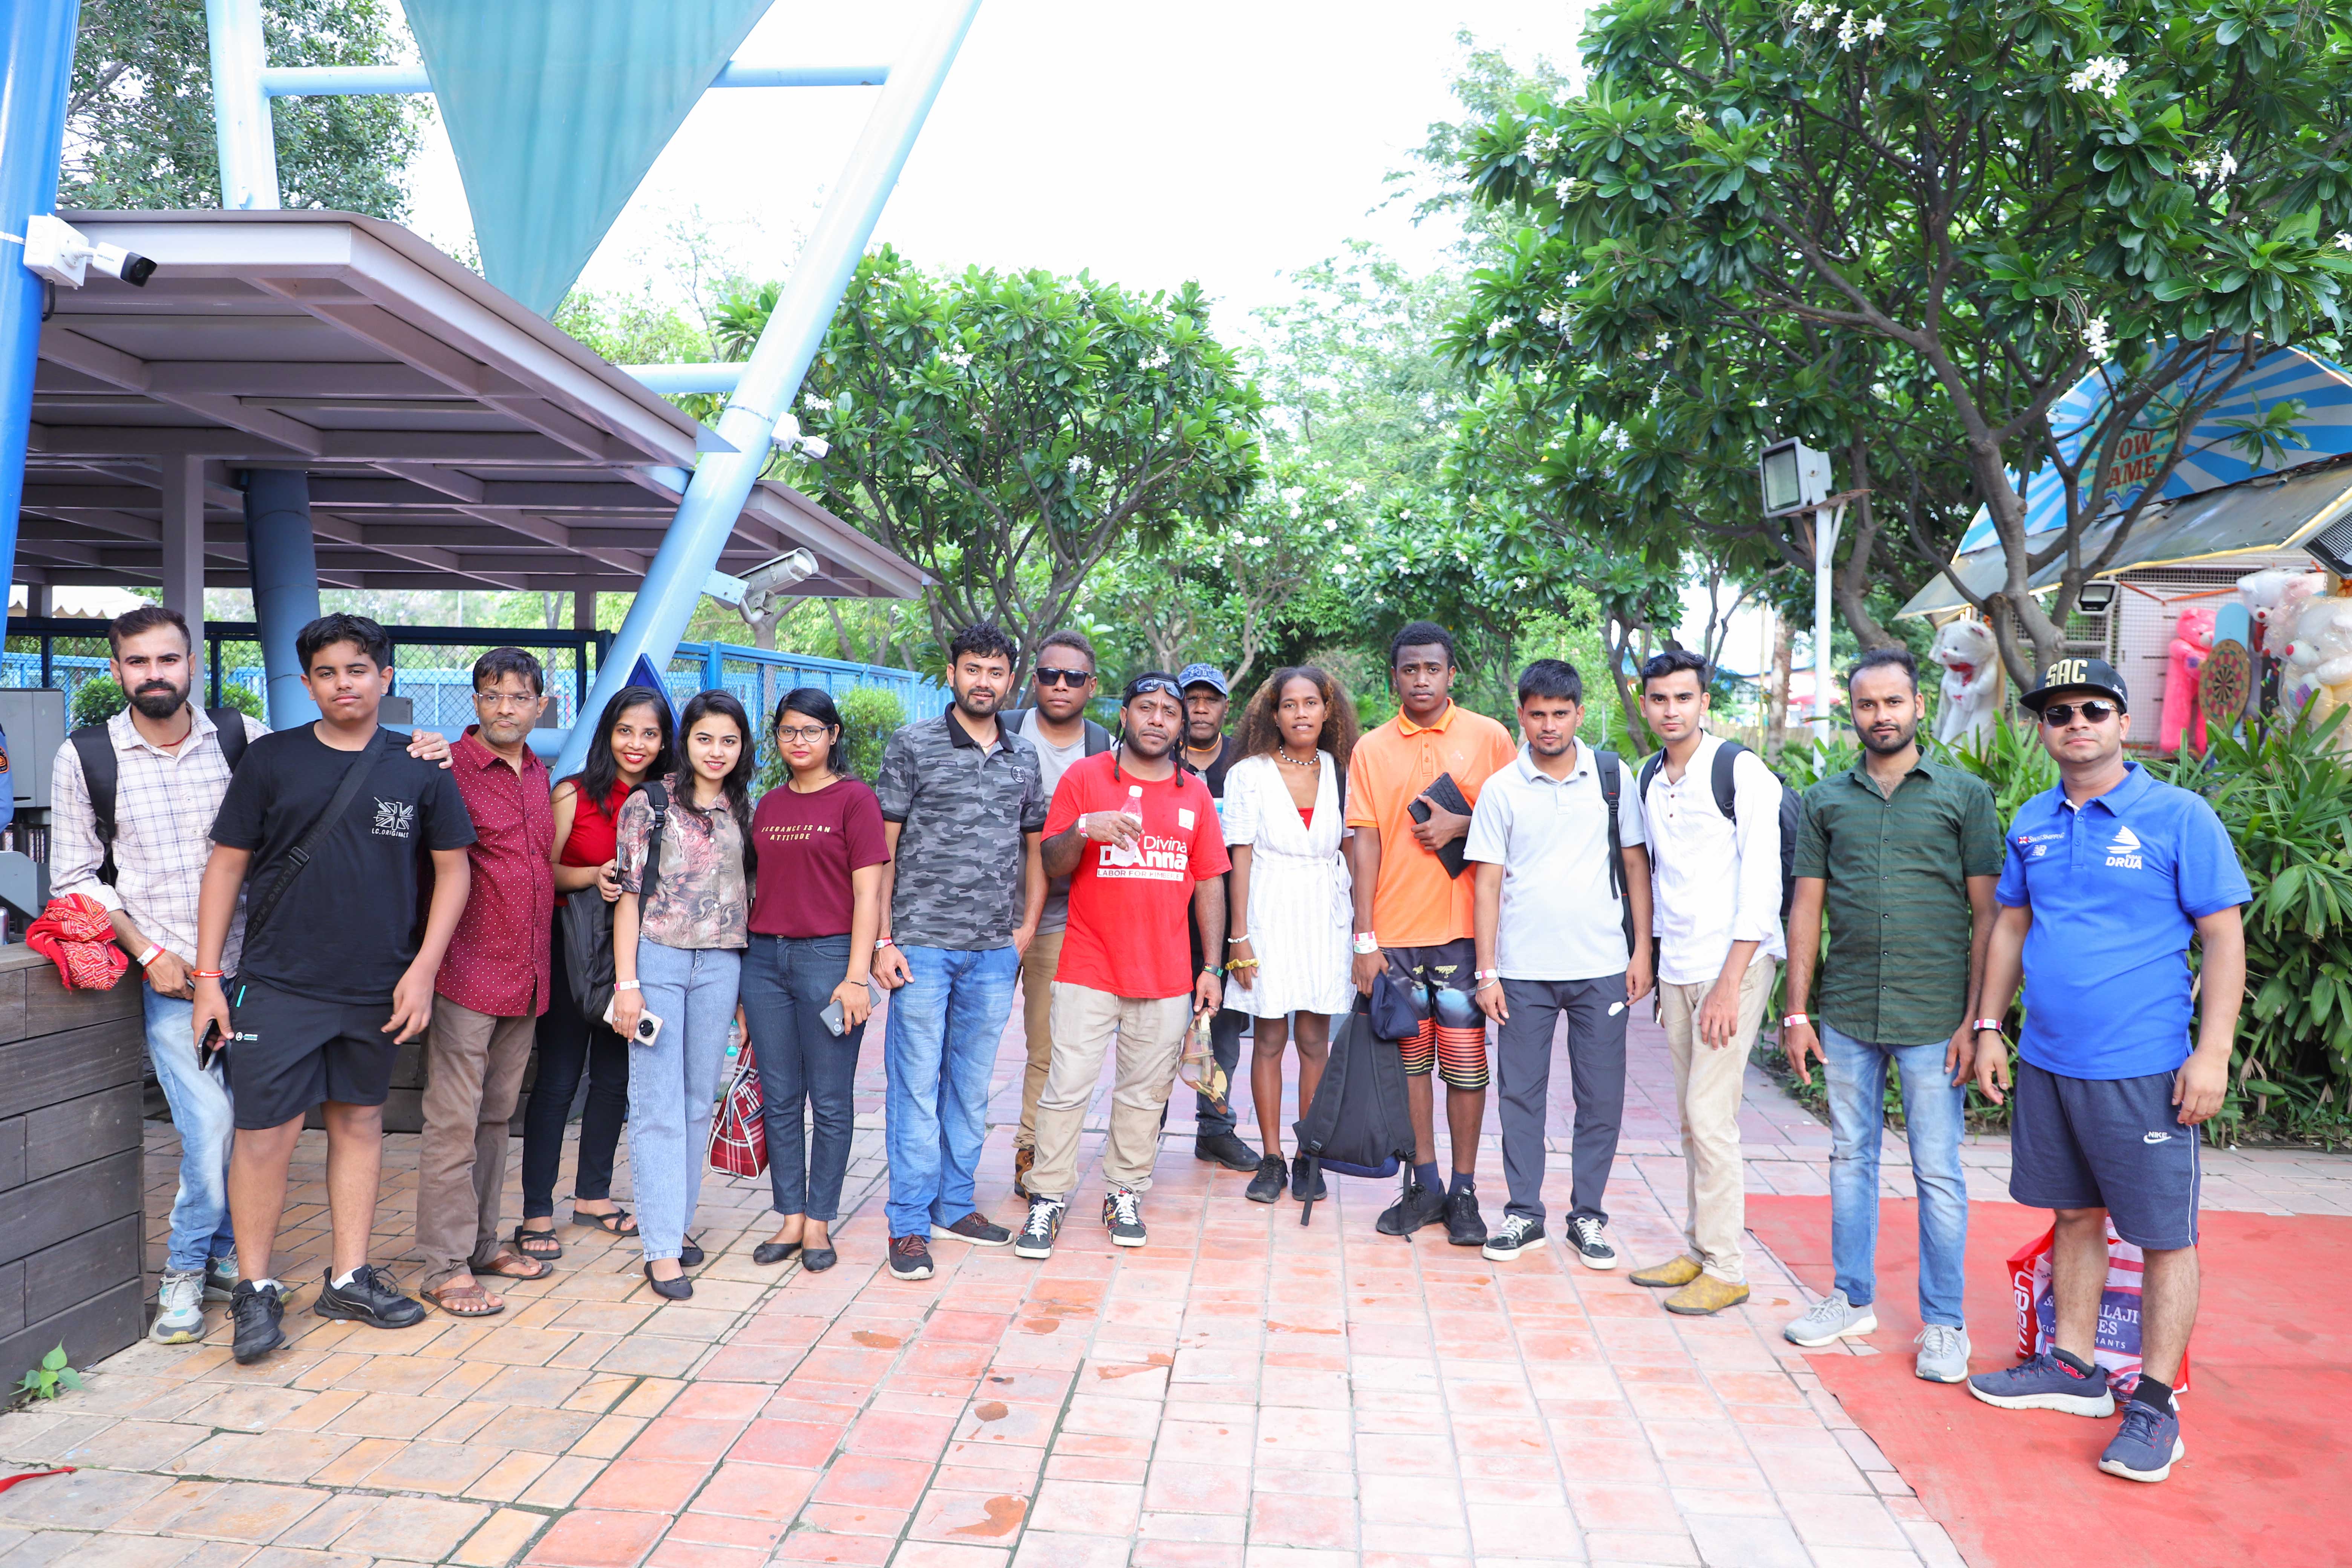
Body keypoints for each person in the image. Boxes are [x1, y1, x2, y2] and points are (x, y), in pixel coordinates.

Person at [47, 606, 449, 1344]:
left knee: (319, 1123)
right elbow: (88, 876)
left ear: (191, 663)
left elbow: (360, 783)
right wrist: (170, 962)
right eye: (138, 662)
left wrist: (429, 745)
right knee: (227, 1131)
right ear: (117, 670)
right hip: (193, 974)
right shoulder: (91, 757)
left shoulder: (245, 740)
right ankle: (205, 1275)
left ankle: (299, 1271)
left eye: (168, 659)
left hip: (294, 968)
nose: (155, 673)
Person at [1965, 657, 2248, 1485]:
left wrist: (2213, 1052)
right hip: (2050, 1063)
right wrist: (1989, 1027)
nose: (2076, 724)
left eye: (2093, 709)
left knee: (2164, 1236)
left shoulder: (2180, 816)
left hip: (2144, 1069)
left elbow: (2223, 938)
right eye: (2059, 714)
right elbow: (2011, 926)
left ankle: (2154, 1406)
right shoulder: (2033, 820)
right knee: (2074, 1214)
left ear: (2124, 722)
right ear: (2043, 730)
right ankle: (2073, 1366)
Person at [193, 614, 475, 1363]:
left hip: (378, 985)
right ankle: (255, 1288)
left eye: (357, 669)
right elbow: (226, 866)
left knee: (360, 1122)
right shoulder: (272, 760)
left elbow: (454, 871)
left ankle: (349, 1278)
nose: (343, 684)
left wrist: (423, 970)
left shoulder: (420, 764)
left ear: (386, 677)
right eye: (326, 673)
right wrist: (209, 979)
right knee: (265, 1136)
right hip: (278, 983)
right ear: (306, 683)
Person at [1780, 646, 2001, 1381]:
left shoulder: (1964, 796)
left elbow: (1989, 915)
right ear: (1853, 710)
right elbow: (1805, 909)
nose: (1881, 716)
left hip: (1936, 1016)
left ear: (1918, 705)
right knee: (1850, 1158)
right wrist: (1796, 1012)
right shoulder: (1825, 801)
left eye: (1894, 702)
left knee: (1937, 1170)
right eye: (1867, 704)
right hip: (1847, 1010)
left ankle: (1945, 1323)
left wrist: (1978, 1021)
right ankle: (1851, 1298)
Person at [1014, 672, 1230, 1259]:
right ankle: (1047, 1198)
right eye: (1145, 707)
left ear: (1181, 726)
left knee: (1145, 1095)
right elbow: (1052, 861)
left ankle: (1124, 1193)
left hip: (1166, 974)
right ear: (1125, 715)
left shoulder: (1195, 795)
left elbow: (1210, 880)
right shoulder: (1086, 778)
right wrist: (1087, 828)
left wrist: (1212, 966)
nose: (1157, 719)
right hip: (1089, 966)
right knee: (1065, 1089)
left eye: (1169, 711)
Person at [872, 622, 1046, 1281]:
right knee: (916, 1089)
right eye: (973, 669)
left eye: (996, 672)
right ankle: (909, 1224)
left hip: (993, 953)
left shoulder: (1023, 756)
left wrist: (1025, 929)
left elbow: (1035, 849)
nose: (983, 682)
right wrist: (884, 939)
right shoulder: (913, 744)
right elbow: (883, 851)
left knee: (971, 1090)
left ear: (1010, 681)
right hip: (921, 946)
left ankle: (953, 1204)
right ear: (952, 674)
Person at [1468, 659, 1653, 1265]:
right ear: (1520, 717)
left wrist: (1642, 951)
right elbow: (1487, 884)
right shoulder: (1502, 789)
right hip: (1522, 971)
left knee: (1600, 1098)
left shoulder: (1612, 778)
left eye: (1560, 713)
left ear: (1578, 714)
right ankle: (1524, 1215)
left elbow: (1635, 866)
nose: (1549, 725)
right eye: (1538, 714)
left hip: (1602, 965)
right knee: (1520, 1096)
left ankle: (1588, 1218)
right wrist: (1487, 972)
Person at [1344, 621, 1518, 1244]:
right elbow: (1364, 844)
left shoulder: (1490, 738)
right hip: (1395, 939)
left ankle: (1465, 1192)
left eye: (1433, 669)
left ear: (1452, 674)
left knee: (1467, 1068)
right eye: (1410, 669)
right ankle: (1424, 1184)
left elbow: (1518, 824)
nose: (1422, 680)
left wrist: (1461, 825)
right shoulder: (1370, 749)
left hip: (1466, 935)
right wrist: (1365, 939)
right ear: (1394, 677)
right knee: (1410, 1066)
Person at [1624, 649, 1785, 1317]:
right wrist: (1654, 959)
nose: (1671, 711)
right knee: (1694, 1120)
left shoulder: (1740, 771)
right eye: (1660, 699)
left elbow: (1764, 884)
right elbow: (1658, 877)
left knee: (1711, 1117)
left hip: (1734, 965)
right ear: (1645, 704)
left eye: (1683, 698)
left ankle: (1727, 1266)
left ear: (1704, 703)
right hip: (1681, 965)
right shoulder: (1648, 776)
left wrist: (1728, 981)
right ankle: (1698, 1248)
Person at [416, 648, 561, 1317]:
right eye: (493, 696)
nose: (506, 708)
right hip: (464, 972)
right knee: (453, 1122)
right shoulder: (443, 766)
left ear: (541, 705)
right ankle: (444, 1266)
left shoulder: (538, 773)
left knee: (497, 1118)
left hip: (526, 975)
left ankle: (481, 1244)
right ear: (475, 702)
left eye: (520, 697)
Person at [516, 686, 672, 1259]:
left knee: (614, 1078)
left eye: (650, 734)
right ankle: (537, 1210)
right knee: (559, 1079)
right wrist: (591, 876)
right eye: (626, 730)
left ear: (665, 742)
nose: (636, 744)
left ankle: (593, 1197)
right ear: (608, 732)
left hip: (637, 955)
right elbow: (543, 870)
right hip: (571, 949)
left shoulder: (670, 799)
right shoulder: (572, 793)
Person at [611, 690, 756, 1302]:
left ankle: (676, 1222)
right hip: (660, 960)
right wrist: (628, 985)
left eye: (729, 740)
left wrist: (745, 996)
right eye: (705, 739)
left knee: (699, 1103)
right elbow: (628, 898)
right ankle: (662, 1250)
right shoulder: (650, 803)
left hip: (722, 964)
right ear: (685, 741)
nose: (716, 751)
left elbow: (747, 895)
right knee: (657, 1106)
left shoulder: (742, 807)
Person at [742, 688, 889, 1276]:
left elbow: (869, 894)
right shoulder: (768, 805)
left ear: (833, 735)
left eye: (811, 730)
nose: (798, 740)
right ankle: (790, 1216)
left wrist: (856, 977)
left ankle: (820, 1221)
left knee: (829, 1099)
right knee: (779, 1096)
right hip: (764, 962)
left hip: (829, 960)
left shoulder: (855, 800)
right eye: (788, 731)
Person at [1222, 665, 1360, 1204]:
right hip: (1268, 911)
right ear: (1273, 715)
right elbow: (1239, 857)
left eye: (1311, 703)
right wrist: (1239, 938)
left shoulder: (1344, 770)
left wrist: (1363, 932)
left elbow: (1353, 850)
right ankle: (1272, 1157)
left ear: (1327, 711)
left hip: (1326, 913)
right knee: (1270, 1040)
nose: (1301, 713)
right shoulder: (1248, 773)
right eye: (1289, 705)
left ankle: (1309, 1156)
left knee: (1315, 1042)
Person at [1001, 629, 1110, 1200]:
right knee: (964, 1047)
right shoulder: (1002, 730)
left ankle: (1031, 1149)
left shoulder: (1103, 746)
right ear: (1034, 680)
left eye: (1073, 677)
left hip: (1061, 916)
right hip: (985, 916)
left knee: (1047, 1046)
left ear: (1091, 686)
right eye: (1049, 675)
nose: (1060, 685)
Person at [1175, 662, 1258, 1175]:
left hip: (1227, 922)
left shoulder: (1245, 766)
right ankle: (1143, 1130)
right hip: (1165, 920)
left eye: (1211, 700)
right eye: (1192, 699)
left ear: (1227, 707)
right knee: (1157, 1030)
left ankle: (1215, 1131)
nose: (1201, 709)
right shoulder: (1157, 758)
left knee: (1223, 1030)